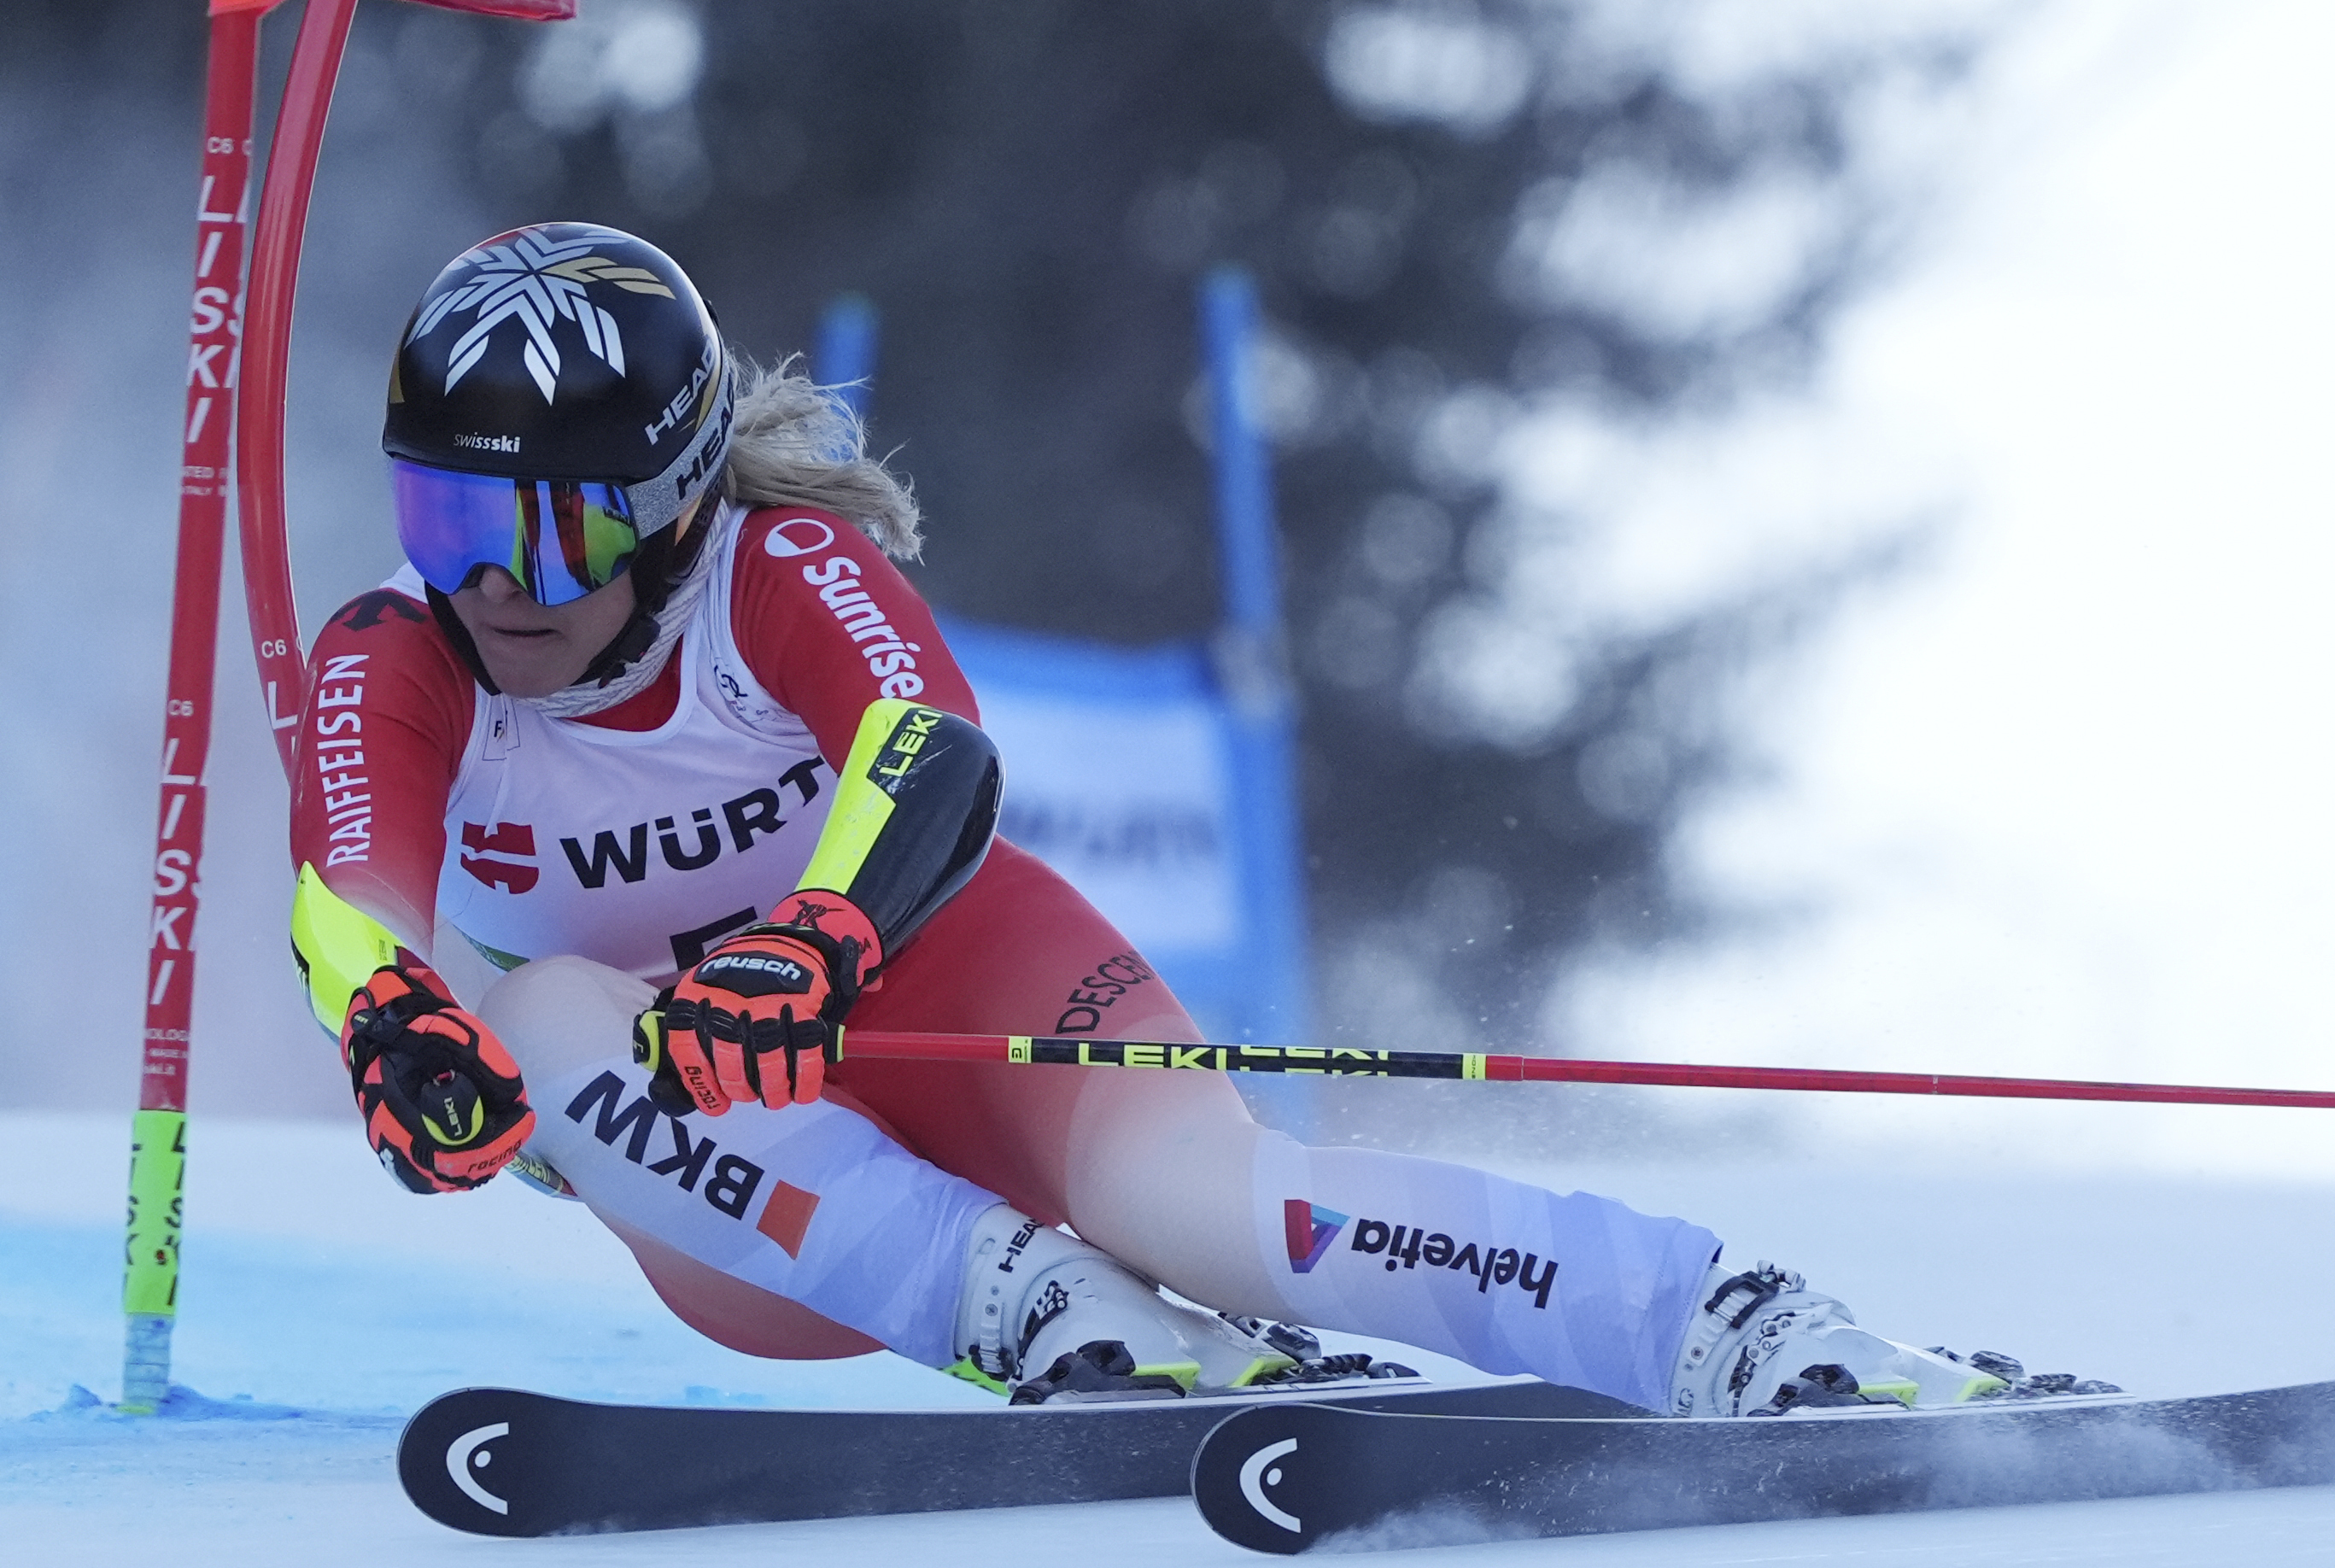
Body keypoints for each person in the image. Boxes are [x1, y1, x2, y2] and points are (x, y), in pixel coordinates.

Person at [289, 221, 2068, 1419]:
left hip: (961, 994)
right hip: (755, 1189)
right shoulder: (395, 653)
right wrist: (390, 1028)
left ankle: (1731, 1328)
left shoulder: (776, 572)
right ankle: (1049, 1316)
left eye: (557, 529)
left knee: (1225, 1218)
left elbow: (931, 753)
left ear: (675, 505)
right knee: (538, 1019)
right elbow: (343, 894)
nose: (499, 585)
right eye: (451, 521)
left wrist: (816, 935)